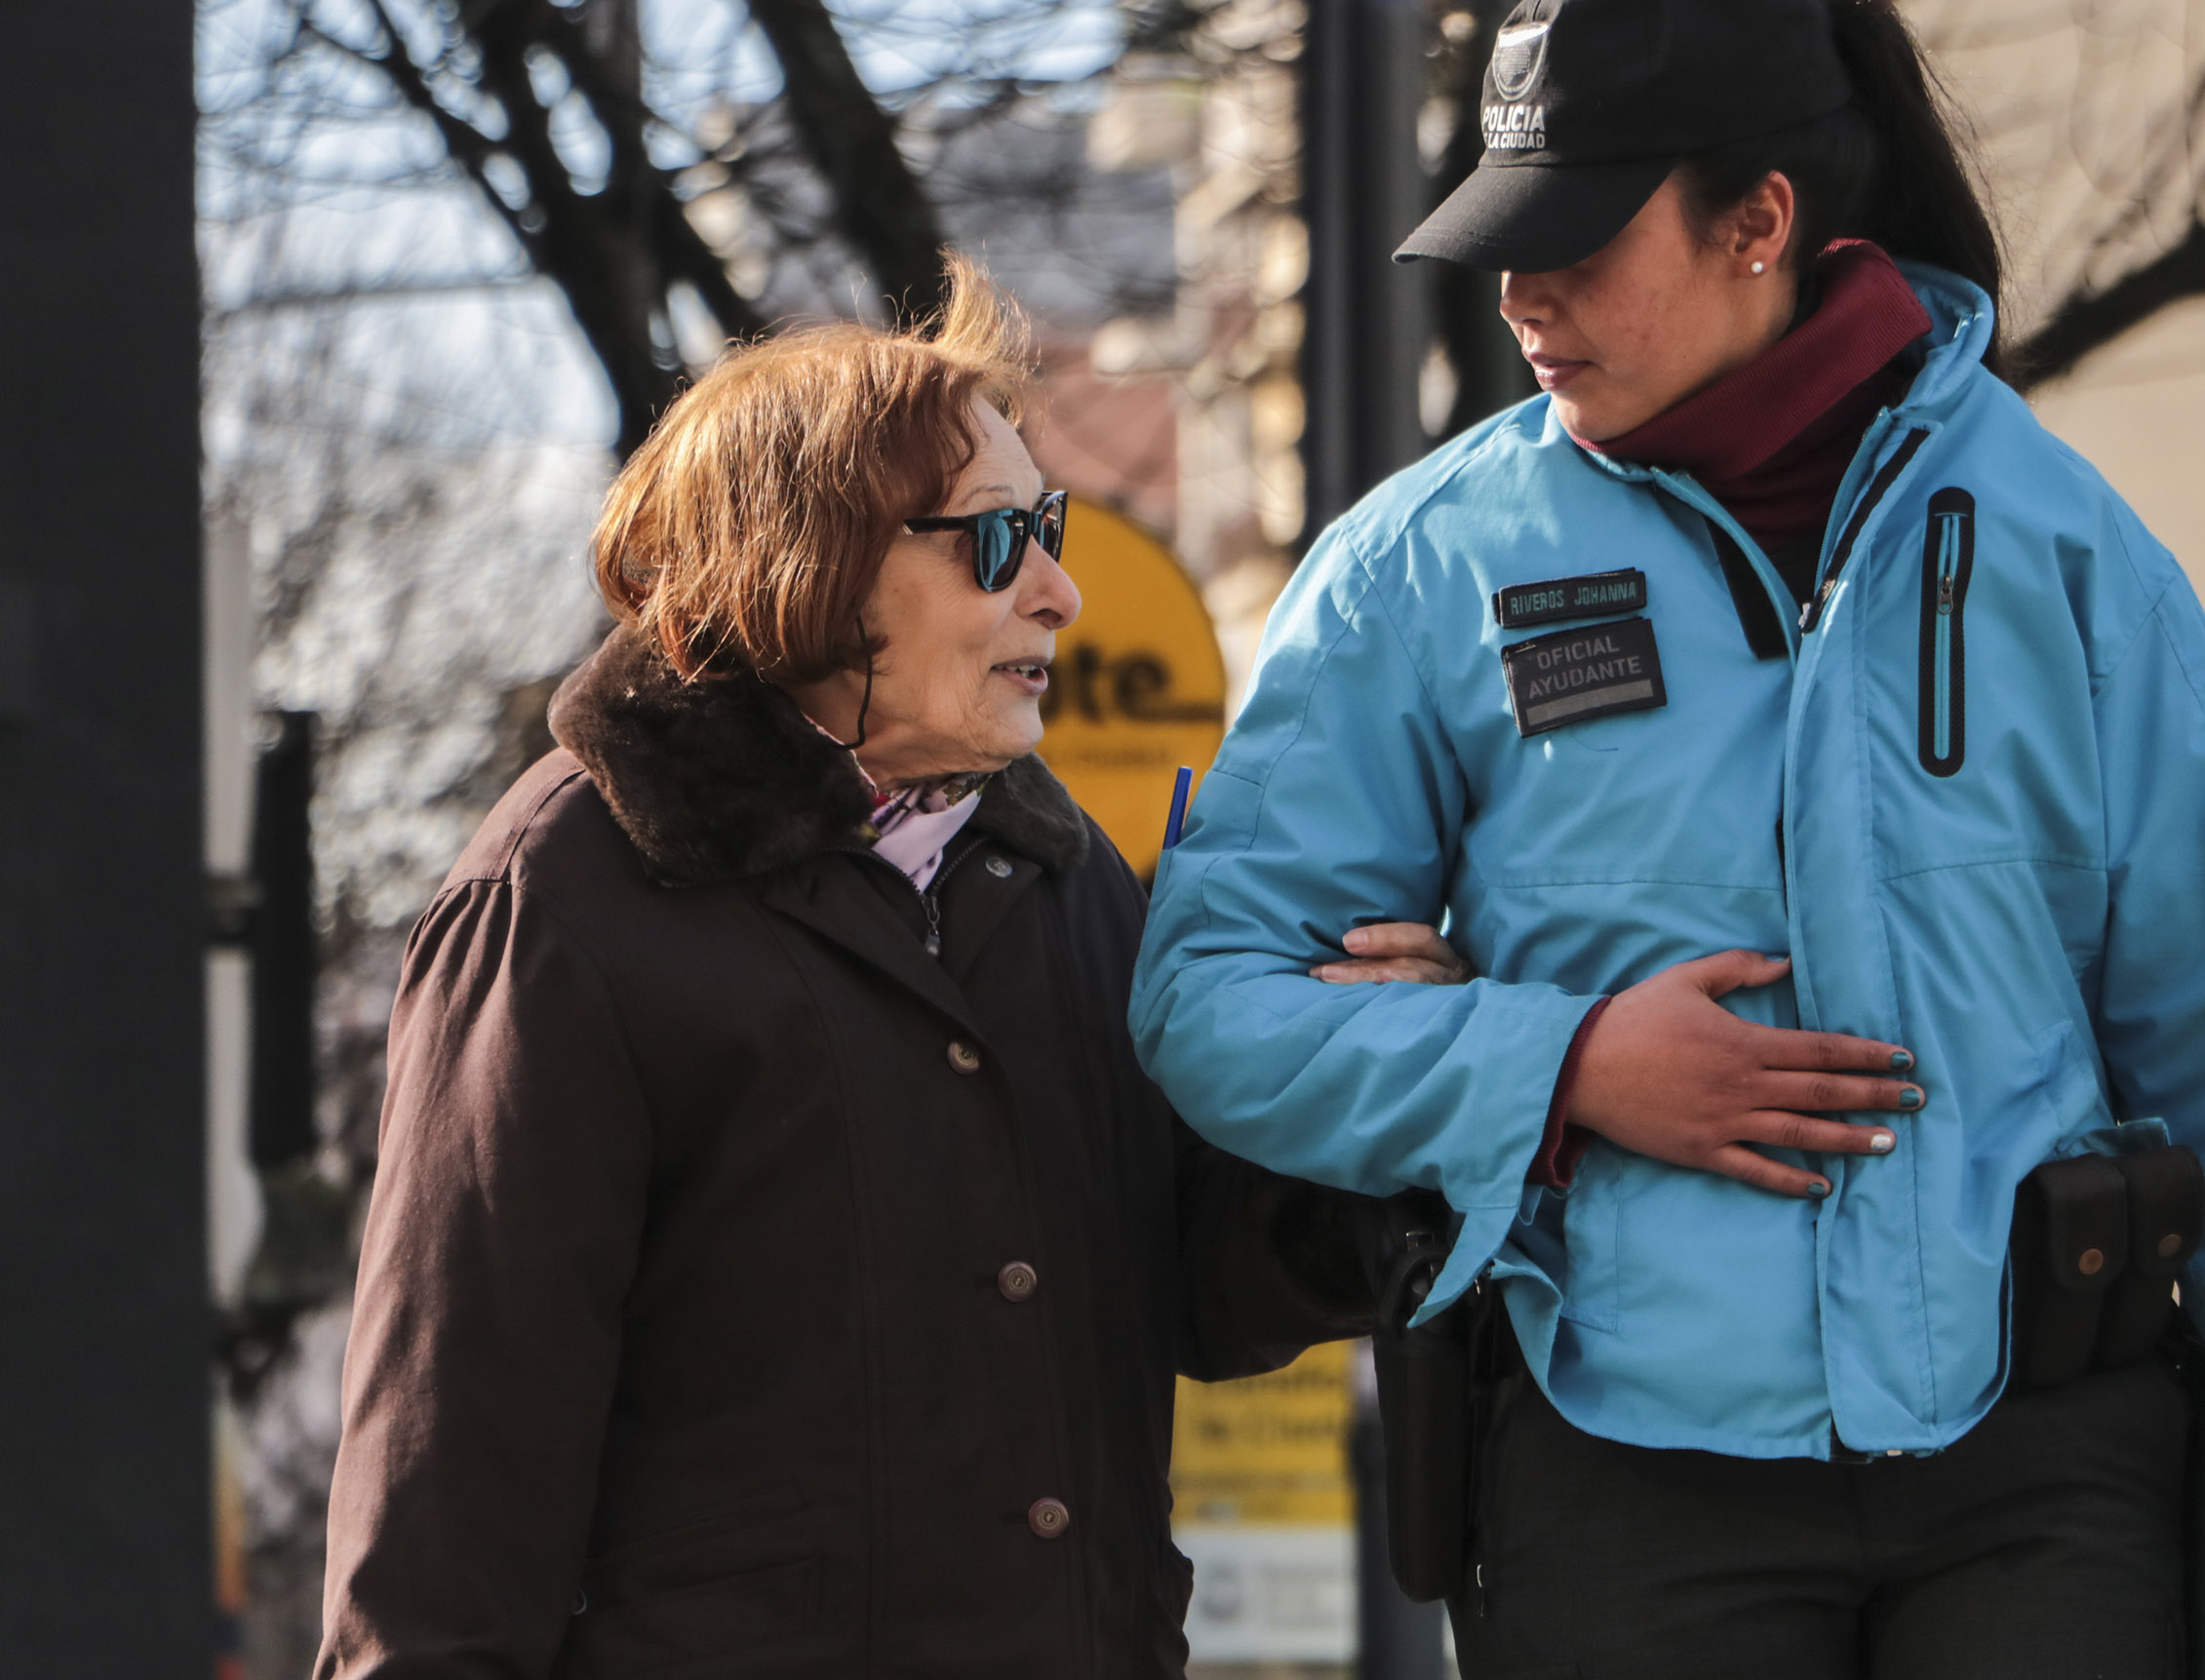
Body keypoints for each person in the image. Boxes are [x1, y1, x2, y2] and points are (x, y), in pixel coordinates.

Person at [1134, 0, 2205, 1680]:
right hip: (1622, 1482)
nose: (1519, 296)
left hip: (2047, 1481)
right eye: (1501, 241)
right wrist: (1561, 1064)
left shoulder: (2073, 553)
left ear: (1759, 220)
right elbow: (1204, 996)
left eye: (1574, 240)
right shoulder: (1411, 576)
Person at [313, 259, 1457, 1678]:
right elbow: (452, 1483)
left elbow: (1184, 1290)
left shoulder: (1066, 878)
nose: (1060, 590)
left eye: (1050, 529)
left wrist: (1352, 1093)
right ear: (809, 560)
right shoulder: (564, 899)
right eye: (995, 540)